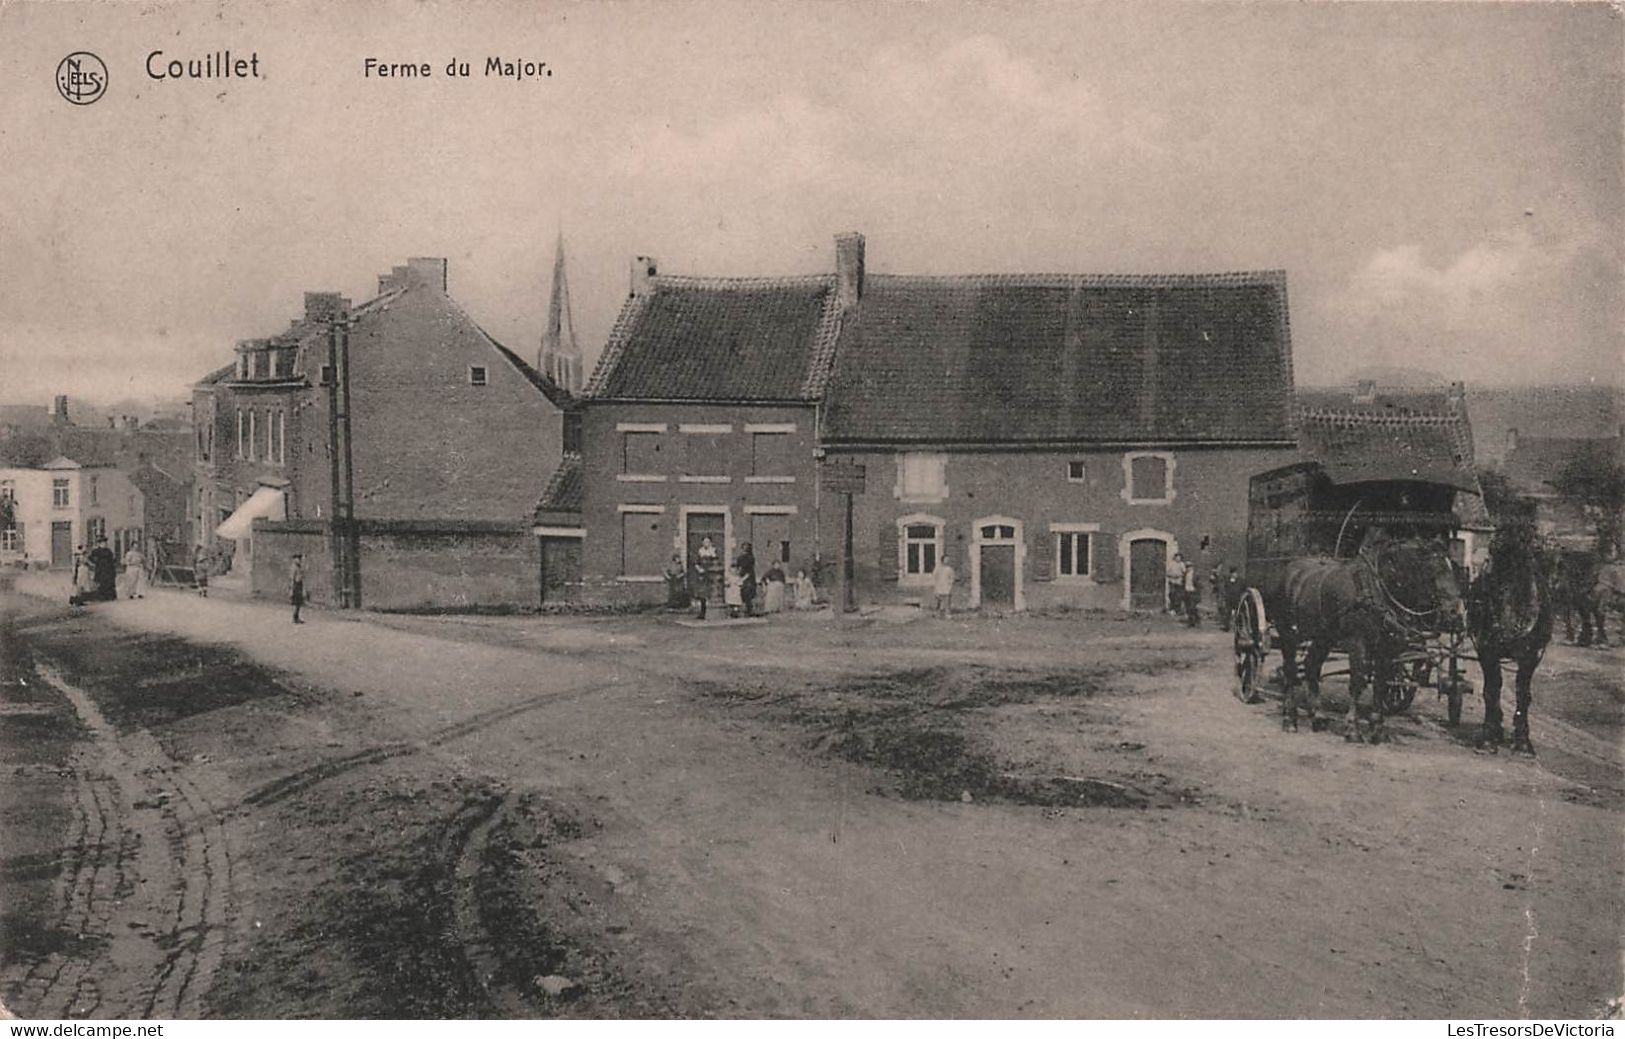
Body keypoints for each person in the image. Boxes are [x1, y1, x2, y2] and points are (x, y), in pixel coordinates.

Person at [88, 537, 118, 602]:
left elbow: (111, 559)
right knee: (102, 582)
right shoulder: (96, 551)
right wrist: (95, 562)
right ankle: (102, 596)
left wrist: (113, 562)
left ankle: (109, 596)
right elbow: (90, 557)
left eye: (105, 543)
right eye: (102, 543)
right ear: (99, 544)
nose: (104, 544)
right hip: (100, 568)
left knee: (109, 582)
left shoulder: (108, 551)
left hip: (108, 568)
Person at [736, 543, 757, 616]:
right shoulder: (740, 558)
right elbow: (738, 568)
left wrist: (743, 578)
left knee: (747, 592)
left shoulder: (750, 558)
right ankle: (746, 609)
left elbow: (749, 571)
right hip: (743, 577)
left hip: (748, 578)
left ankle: (749, 609)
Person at [934, 552, 957, 617]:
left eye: (948, 560)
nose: (947, 561)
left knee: (947, 601)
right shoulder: (938, 569)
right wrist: (936, 586)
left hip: (947, 586)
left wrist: (950, 584)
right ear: (942, 560)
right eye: (945, 560)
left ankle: (947, 613)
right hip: (939, 586)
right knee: (939, 601)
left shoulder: (950, 569)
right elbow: (935, 577)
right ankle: (938, 613)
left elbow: (952, 578)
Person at [1221, 566, 1243, 631]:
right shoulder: (1227, 580)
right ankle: (1226, 626)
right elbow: (1225, 589)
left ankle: (1239, 626)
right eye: (1233, 573)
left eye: (1235, 573)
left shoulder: (1240, 581)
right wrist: (1225, 596)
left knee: (1238, 613)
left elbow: (1242, 588)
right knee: (1228, 612)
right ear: (1231, 574)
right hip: (1229, 599)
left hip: (1237, 599)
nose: (1234, 575)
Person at [1182, 556, 1201, 627]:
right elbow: (1183, 583)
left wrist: (1196, 591)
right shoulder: (1185, 575)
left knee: (1192, 608)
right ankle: (1193, 621)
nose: (1188, 568)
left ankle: (1194, 621)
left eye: (1189, 567)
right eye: (1187, 567)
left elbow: (1198, 585)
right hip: (1187, 592)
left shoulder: (1195, 575)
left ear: (1192, 567)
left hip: (1193, 593)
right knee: (1188, 608)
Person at [1166, 552, 1186, 617]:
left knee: (1178, 596)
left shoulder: (1182, 564)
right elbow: (1167, 573)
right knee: (1172, 594)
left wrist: (1179, 575)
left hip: (1179, 582)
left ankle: (1178, 609)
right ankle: (1172, 609)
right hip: (1172, 581)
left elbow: (1184, 573)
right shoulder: (1171, 564)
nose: (1178, 559)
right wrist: (1172, 575)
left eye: (1179, 557)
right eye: (1177, 557)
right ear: (1175, 558)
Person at [289, 553, 306, 623]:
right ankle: (295, 617)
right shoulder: (294, 567)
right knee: (296, 602)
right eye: (298, 559)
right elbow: (292, 578)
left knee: (299, 602)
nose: (299, 560)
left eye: (300, 559)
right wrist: (291, 589)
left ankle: (296, 617)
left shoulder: (299, 567)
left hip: (299, 584)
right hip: (296, 585)